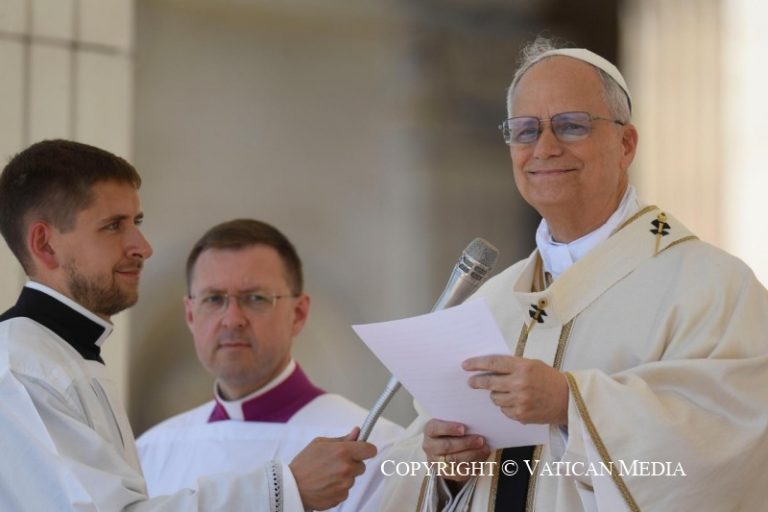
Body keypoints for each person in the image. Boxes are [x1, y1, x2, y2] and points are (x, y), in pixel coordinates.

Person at [378, 38, 768, 511]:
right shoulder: (491, 302)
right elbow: (411, 459)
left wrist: (571, 404)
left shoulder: (712, 287)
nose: (544, 148)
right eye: (525, 131)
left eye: (571, 126)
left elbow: (733, 449)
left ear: (626, 144)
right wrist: (445, 470)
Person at [0, 139, 377, 511]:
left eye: (137, 222)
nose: (143, 246)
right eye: (114, 226)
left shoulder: (61, 356)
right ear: (45, 245)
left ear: (299, 313)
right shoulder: (21, 367)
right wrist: (283, 490)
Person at [136, 219, 404, 511]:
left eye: (255, 298)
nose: (232, 319)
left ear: (298, 314)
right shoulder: (151, 451)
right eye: (213, 299)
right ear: (190, 315)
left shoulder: (376, 449)